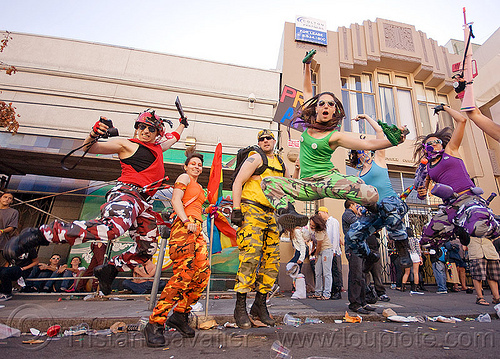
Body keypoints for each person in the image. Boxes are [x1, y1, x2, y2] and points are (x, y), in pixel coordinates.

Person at [4, 109, 187, 295]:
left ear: (157, 132)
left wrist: (183, 123)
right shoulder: (127, 144)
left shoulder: (158, 147)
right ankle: (39, 234)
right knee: (112, 228)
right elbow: (90, 148)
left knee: (148, 248)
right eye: (141, 127)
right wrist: (94, 133)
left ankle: (110, 269)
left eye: (150, 129)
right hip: (127, 194)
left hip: (144, 203)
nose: (145, 131)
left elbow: (174, 136)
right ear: (136, 128)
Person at [261, 53, 406, 230]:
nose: (326, 106)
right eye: (322, 103)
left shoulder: (334, 136)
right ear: (316, 108)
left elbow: (367, 145)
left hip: (330, 181)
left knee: (371, 195)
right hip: (307, 185)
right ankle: (288, 212)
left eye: (330, 105)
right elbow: (307, 90)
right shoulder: (308, 127)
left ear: (333, 112)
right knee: (268, 182)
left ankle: (373, 208)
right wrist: (307, 66)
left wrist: (393, 141)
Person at [144, 152, 210, 346]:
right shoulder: (184, 178)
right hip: (184, 228)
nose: (197, 167)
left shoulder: (199, 187)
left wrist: (203, 221)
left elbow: (197, 208)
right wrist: (186, 220)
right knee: (183, 274)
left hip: (196, 229)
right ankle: (155, 322)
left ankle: (180, 314)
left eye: (199, 165)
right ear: (186, 166)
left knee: (202, 273)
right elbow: (176, 201)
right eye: (193, 164)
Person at [414, 105, 500, 249]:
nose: (434, 145)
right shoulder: (427, 167)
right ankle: (457, 228)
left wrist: (445, 108)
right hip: (450, 206)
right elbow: (423, 192)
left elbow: (461, 121)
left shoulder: (450, 150)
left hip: (468, 199)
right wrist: (421, 192)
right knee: (427, 241)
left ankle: (494, 223)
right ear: (425, 148)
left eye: (437, 142)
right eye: (430, 143)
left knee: (477, 228)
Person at [230, 129, 290, 329]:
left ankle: (259, 305)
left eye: (268, 138)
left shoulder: (281, 163)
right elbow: (238, 181)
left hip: (272, 214)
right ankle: (240, 307)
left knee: (272, 260)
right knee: (250, 256)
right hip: (252, 210)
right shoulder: (256, 158)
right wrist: (236, 209)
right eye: (261, 139)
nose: (265, 141)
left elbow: (287, 187)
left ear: (274, 141)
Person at [345, 114, 410, 272]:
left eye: (367, 148)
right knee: (352, 236)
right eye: (361, 149)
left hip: (392, 205)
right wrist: (361, 208)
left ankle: (402, 247)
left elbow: (379, 133)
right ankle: (369, 255)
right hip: (375, 212)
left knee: (387, 206)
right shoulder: (358, 176)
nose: (365, 150)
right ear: (357, 154)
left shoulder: (379, 160)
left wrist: (366, 117)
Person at [342, 200, 376, 314]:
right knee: (355, 275)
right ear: (351, 205)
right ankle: (354, 303)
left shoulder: (355, 215)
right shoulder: (347, 214)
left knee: (361, 275)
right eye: (357, 205)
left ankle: (363, 301)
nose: (358, 207)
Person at [317, 206, 343, 300]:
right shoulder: (325, 223)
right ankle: (331, 290)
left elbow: (335, 236)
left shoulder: (333, 221)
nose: (319, 215)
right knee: (330, 270)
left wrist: (335, 249)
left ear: (325, 212)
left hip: (333, 250)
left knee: (335, 271)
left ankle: (337, 290)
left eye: (320, 213)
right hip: (327, 250)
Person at [467, 237, 500, 306]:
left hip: (490, 250)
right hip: (476, 250)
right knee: (477, 275)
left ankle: (496, 297)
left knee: (493, 275)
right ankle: (480, 297)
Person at [308, 214, 333, 300]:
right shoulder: (314, 231)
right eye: (310, 224)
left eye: (313, 225)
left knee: (327, 273)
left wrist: (315, 255)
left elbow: (319, 245)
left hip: (326, 250)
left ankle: (326, 293)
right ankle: (318, 292)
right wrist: (314, 251)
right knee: (317, 272)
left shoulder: (320, 231)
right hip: (319, 252)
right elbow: (315, 243)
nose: (311, 226)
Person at [364, 232, 390, 302]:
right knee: (365, 272)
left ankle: (380, 292)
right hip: (364, 250)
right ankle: (368, 292)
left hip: (374, 248)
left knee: (377, 272)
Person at [0, 191, 19, 268]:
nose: (7, 199)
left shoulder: (13, 212)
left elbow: (12, 227)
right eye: (5, 197)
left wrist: (2, 231)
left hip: (2, 242)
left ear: (11, 201)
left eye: (10, 198)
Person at [401, 228, 422, 293]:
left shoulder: (404, 240)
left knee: (406, 272)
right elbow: (418, 249)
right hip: (415, 255)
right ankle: (415, 287)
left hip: (408, 256)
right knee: (415, 272)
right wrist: (420, 257)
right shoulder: (415, 239)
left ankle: (403, 287)